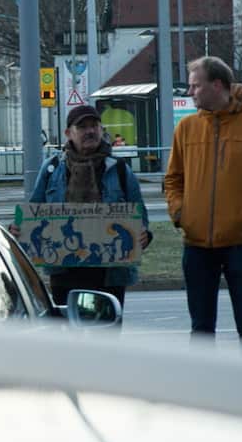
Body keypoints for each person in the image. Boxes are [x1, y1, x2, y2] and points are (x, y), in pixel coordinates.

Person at [164, 56, 242, 344]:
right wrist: (180, 213)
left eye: (195, 86)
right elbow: (172, 179)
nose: (190, 92)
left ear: (216, 85)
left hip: (240, 244)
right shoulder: (186, 128)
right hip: (195, 246)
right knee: (201, 329)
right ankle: (203, 387)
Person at [30, 104, 151, 307]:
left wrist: (144, 234)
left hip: (109, 273)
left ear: (101, 130)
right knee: (69, 333)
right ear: (68, 133)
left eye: (94, 126)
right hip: (65, 270)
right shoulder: (52, 169)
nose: (90, 131)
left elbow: (141, 216)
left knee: (106, 334)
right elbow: (34, 211)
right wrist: (19, 228)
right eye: (83, 127)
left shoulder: (120, 170)